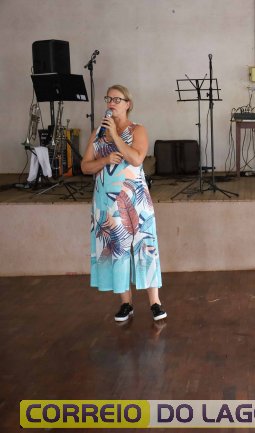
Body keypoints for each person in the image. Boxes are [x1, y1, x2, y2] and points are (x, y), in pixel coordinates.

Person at [81, 84, 166, 322]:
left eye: (117, 99)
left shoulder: (137, 130)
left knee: (144, 246)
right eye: (109, 99)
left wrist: (116, 137)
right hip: (106, 202)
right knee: (116, 249)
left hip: (134, 200)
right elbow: (85, 166)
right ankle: (125, 303)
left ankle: (155, 303)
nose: (111, 103)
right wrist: (105, 159)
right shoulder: (98, 133)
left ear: (128, 104)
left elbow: (136, 159)